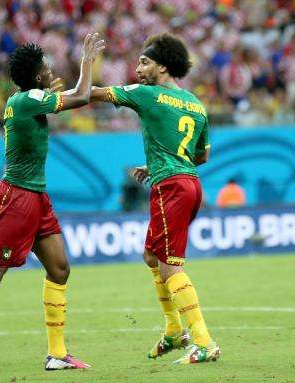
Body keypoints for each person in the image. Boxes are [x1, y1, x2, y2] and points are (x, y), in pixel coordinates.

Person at [0, 33, 105, 379]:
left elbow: (58, 96)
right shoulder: (26, 100)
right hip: (16, 196)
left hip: (37, 196)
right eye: (46, 68)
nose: (51, 70)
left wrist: (53, 93)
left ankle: (57, 354)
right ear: (37, 77)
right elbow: (81, 96)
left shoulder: (27, 99)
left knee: (60, 269)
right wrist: (86, 62)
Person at [90, 32, 220, 364]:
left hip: (171, 188)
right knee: (151, 255)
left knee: (169, 266)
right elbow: (201, 156)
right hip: (190, 183)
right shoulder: (195, 103)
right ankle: (174, 330)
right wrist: (160, 162)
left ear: (162, 67)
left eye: (145, 62)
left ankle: (204, 341)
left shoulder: (147, 94)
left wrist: (48, 96)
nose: (138, 67)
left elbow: (94, 94)